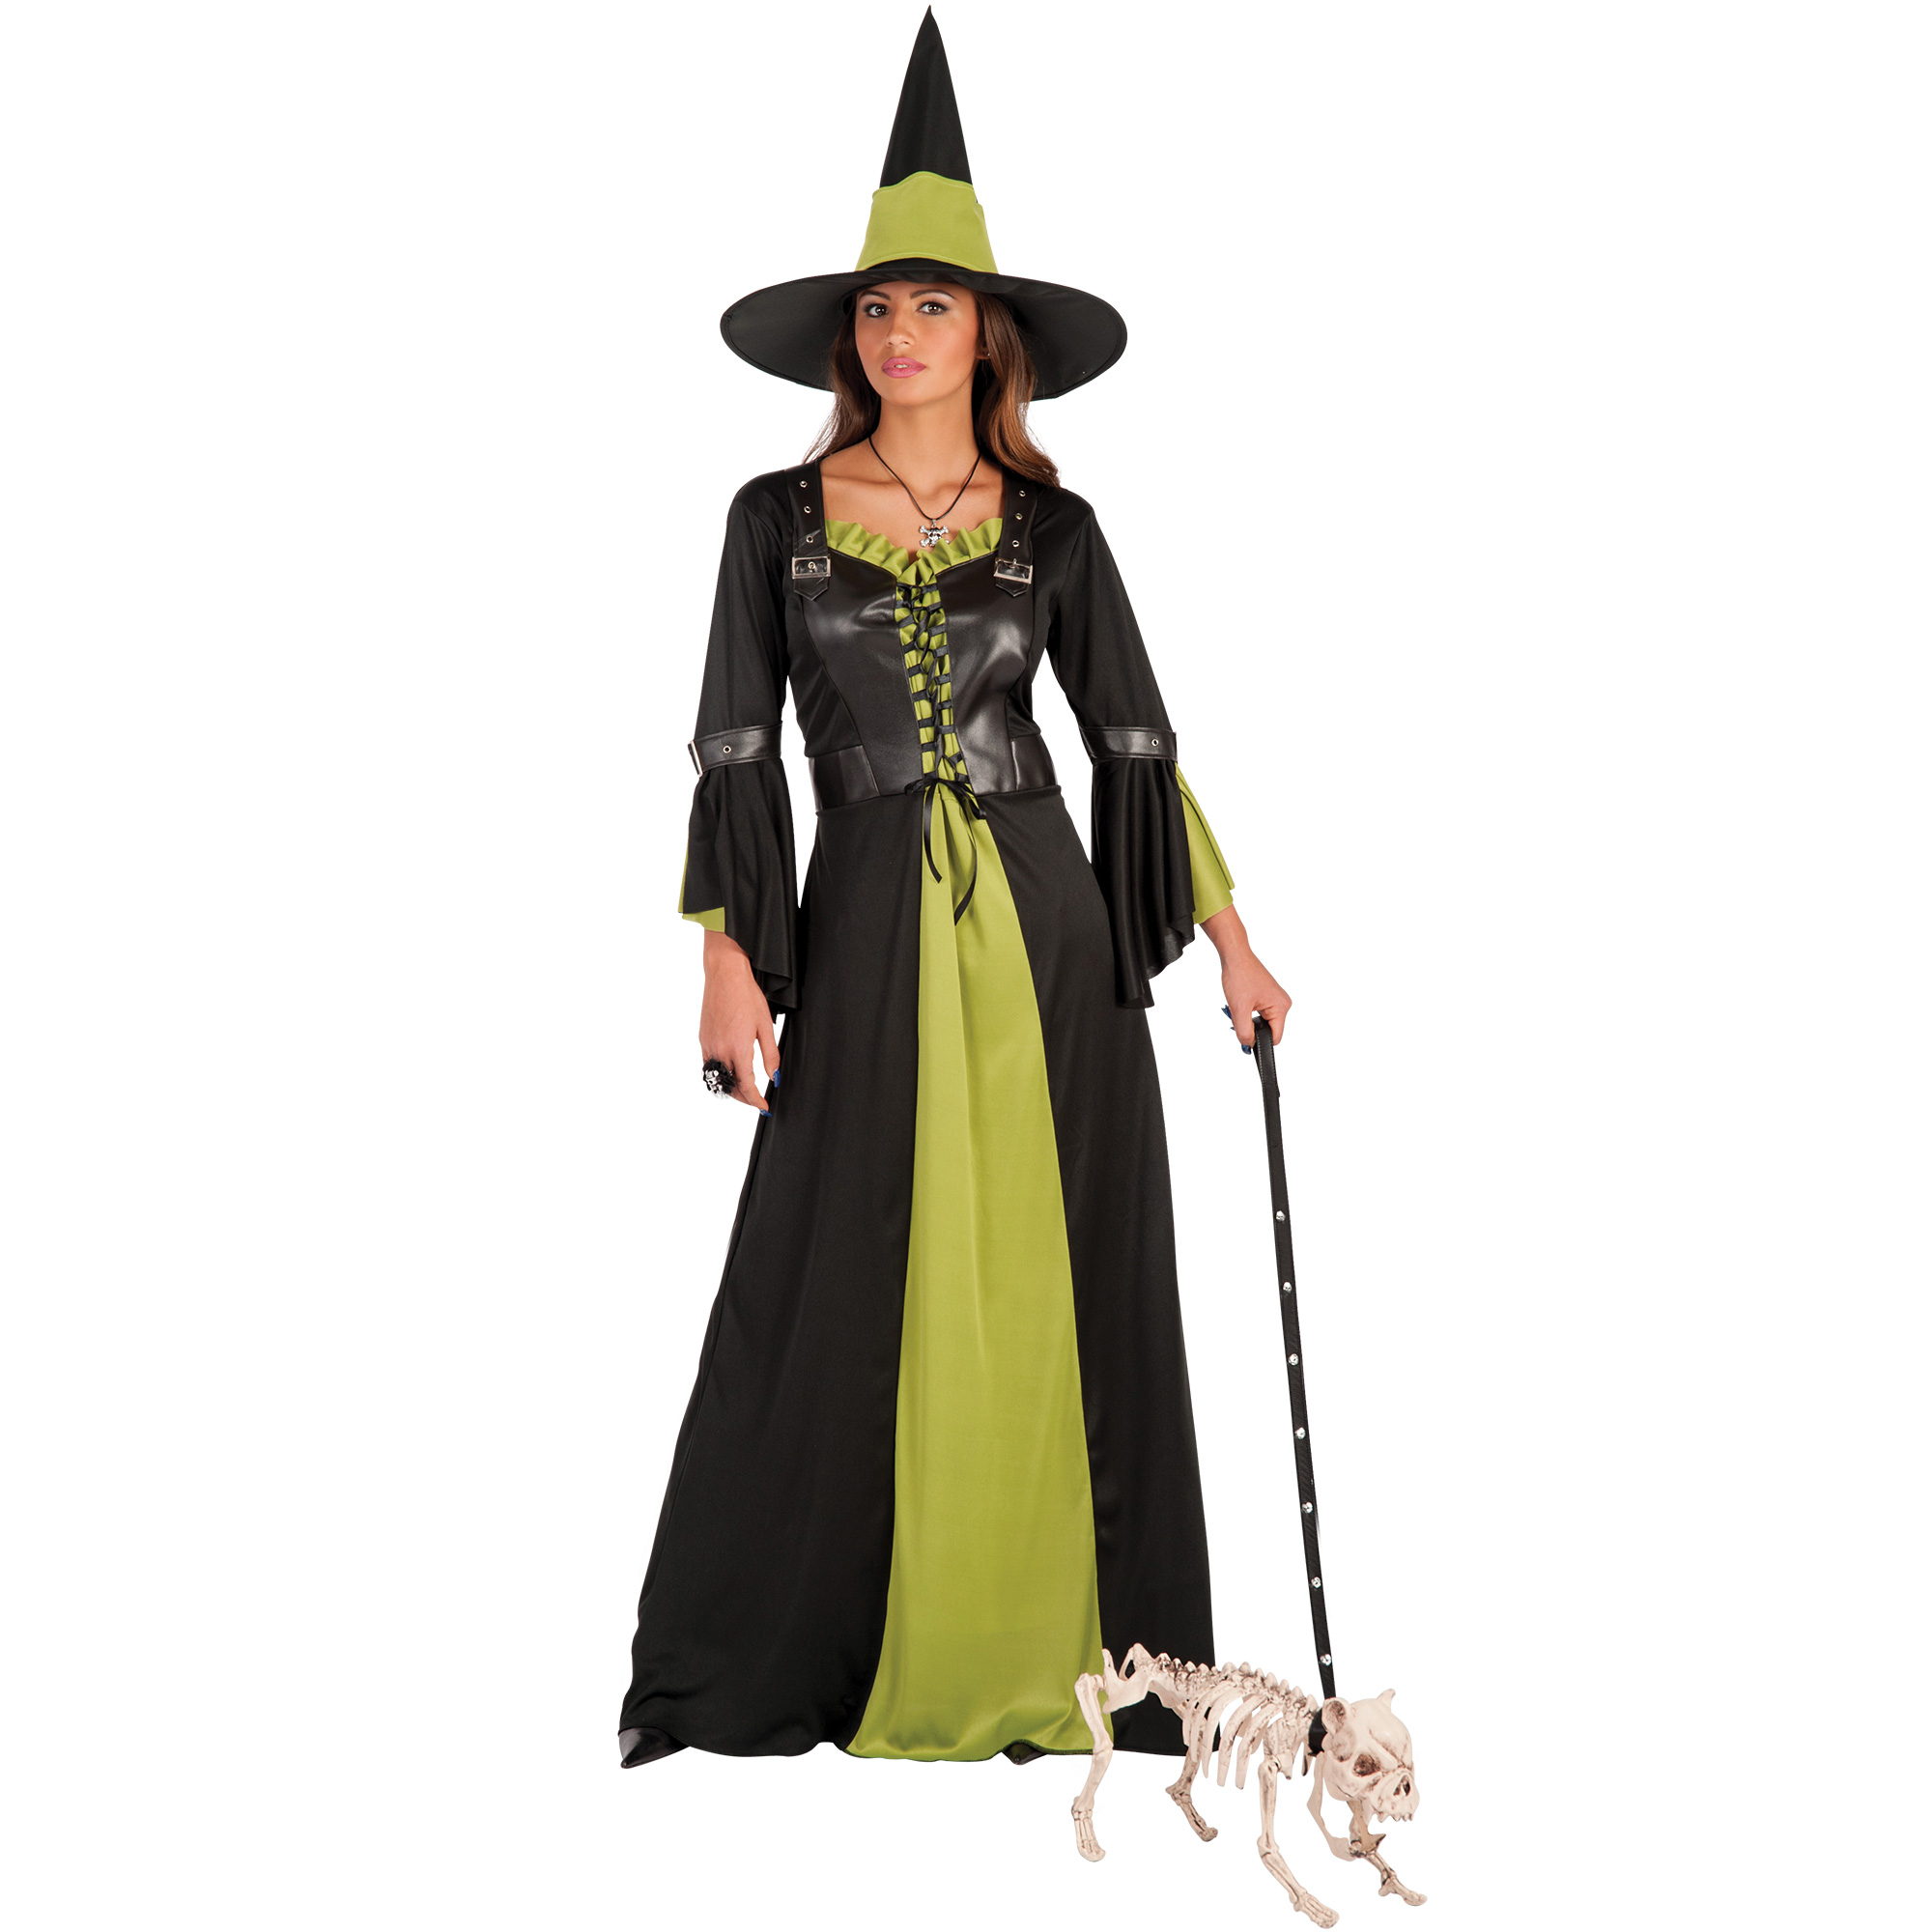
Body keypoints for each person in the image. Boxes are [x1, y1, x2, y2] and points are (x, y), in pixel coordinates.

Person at [621, 9, 1290, 1769]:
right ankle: (825, 1640)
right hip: (859, 923)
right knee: (828, 1264)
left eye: (931, 305)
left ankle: (1079, 1657)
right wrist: (727, 961)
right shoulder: (773, 521)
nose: (898, 333)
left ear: (989, 334)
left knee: (1072, 1268)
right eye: (876, 308)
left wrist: (1235, 948)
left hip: (1049, 930)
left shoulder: (1055, 533)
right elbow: (736, 747)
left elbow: (1136, 747)